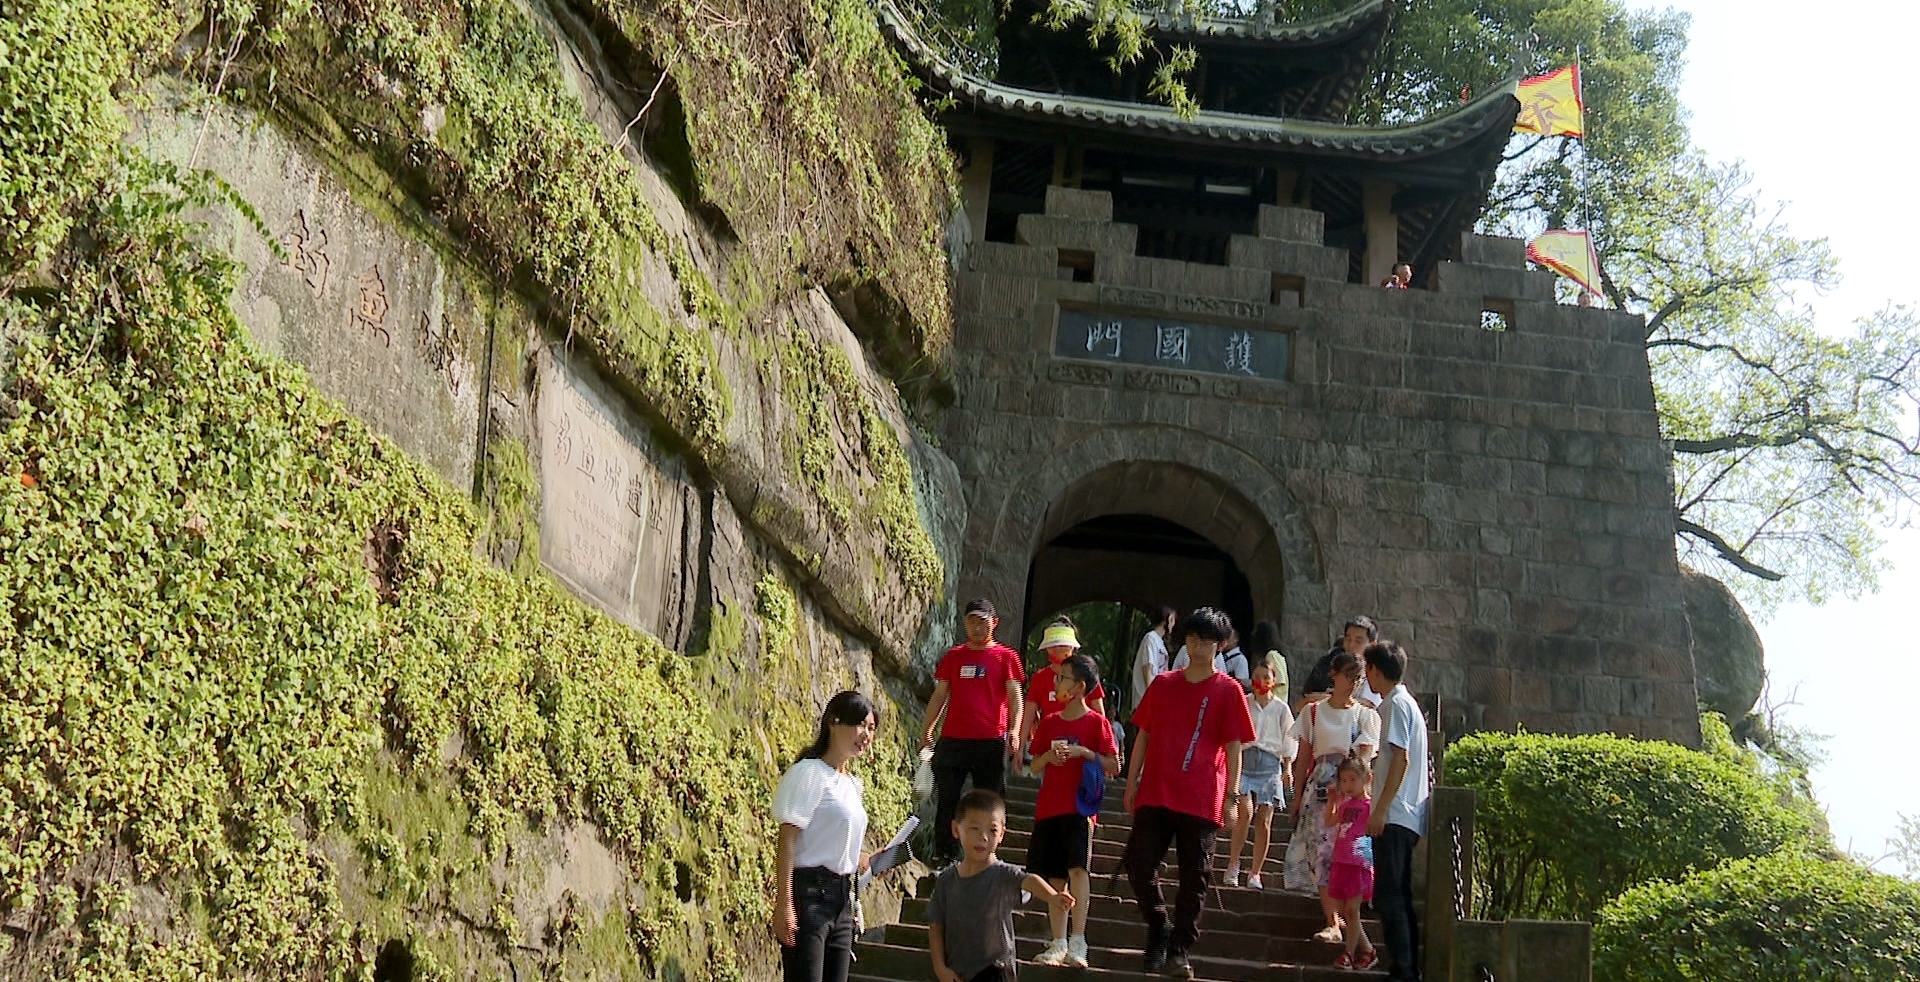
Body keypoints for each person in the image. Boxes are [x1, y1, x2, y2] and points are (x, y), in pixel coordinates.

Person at [1122, 607, 1257, 978]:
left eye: (1207, 640)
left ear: (1221, 644)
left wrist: (1231, 798)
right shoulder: (1164, 683)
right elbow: (1144, 734)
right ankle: (1158, 926)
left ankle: (1179, 949)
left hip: (1201, 795)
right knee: (1139, 865)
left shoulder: (1229, 690)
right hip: (1156, 789)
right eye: (1193, 638)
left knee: (1194, 877)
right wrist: (1132, 780)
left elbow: (1234, 747)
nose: (1198, 647)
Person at [774, 691, 881, 982]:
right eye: (860, 725)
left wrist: (867, 860)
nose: (866, 735)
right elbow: (787, 840)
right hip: (809, 895)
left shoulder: (852, 785)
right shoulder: (810, 773)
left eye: (871, 728)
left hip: (842, 899)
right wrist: (784, 903)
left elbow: (836, 847)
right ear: (834, 722)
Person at [1025, 653, 1120, 969]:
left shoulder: (1097, 723)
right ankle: (1058, 941)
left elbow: (1113, 765)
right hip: (1050, 807)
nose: (1057, 683)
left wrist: (1085, 753)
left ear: (1079, 687)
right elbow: (1034, 765)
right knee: (1054, 877)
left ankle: (1079, 941)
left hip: (1079, 809)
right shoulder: (1050, 723)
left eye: (1063, 678)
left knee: (1078, 870)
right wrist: (1049, 759)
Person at [927, 789, 1074, 982]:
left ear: (1002, 834)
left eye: (992, 830)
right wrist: (940, 967)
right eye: (974, 829)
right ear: (956, 829)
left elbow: (1029, 880)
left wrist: (1052, 897)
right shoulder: (946, 880)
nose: (984, 837)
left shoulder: (1003, 873)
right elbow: (936, 924)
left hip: (995, 969)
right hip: (958, 971)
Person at [1283, 651, 1379, 943]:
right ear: (1333, 675)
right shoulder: (1313, 712)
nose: (1351, 684)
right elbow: (1303, 758)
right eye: (1346, 676)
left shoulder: (1365, 716)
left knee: (1350, 853)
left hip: (1351, 788)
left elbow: (1364, 759)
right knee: (1321, 855)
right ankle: (1332, 921)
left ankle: (1351, 917)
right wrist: (1297, 796)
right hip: (1320, 787)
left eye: (1356, 678)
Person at [923, 599, 1026, 864]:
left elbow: (1015, 697)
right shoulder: (954, 656)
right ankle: (945, 853)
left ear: (994, 623)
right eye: (971, 621)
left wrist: (1014, 730)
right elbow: (940, 695)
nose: (977, 627)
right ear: (964, 623)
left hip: (990, 740)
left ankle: (988, 854)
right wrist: (928, 730)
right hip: (954, 739)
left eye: (982, 621)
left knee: (990, 800)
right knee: (948, 797)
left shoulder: (1006, 657)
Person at [1365, 641, 1430, 982]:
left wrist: (1381, 810)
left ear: (1376, 670)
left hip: (1396, 816)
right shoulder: (1406, 705)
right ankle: (1405, 969)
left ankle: (1403, 970)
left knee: (1390, 898)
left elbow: (1399, 759)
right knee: (1398, 897)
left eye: (1368, 669)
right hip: (1404, 815)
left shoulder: (1394, 705)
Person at [1223, 658, 1295, 889]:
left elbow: (1290, 739)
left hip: (1270, 763)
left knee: (1264, 819)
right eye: (1258, 677)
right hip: (1246, 758)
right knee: (1245, 812)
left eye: (1267, 677)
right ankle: (1233, 864)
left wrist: (1288, 768)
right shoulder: (1244, 702)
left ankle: (1255, 872)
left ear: (1274, 682)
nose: (1262, 682)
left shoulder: (1282, 710)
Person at [1017, 620, 1107, 761]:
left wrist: (1105, 750)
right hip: (1051, 748)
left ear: (1072, 647)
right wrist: (1020, 746)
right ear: (1047, 648)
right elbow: (1029, 713)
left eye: (1063, 646)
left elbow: (1100, 712)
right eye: (1054, 646)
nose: (1058, 650)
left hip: (1084, 746)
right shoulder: (1040, 678)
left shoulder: (1085, 673)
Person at [1326, 755, 1378, 971]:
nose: (1347, 785)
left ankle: (1348, 953)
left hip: (1359, 862)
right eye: (1344, 780)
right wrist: (1332, 801)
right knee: (1343, 909)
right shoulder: (1346, 805)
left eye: (1352, 780)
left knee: (1353, 909)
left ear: (1366, 778)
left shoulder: (1371, 806)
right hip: (1341, 860)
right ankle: (1367, 949)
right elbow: (1329, 821)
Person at [1301, 616, 1381, 710]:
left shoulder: (1375, 672)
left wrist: (1332, 699)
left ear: (1373, 645)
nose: (1351, 645)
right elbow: (1306, 700)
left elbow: (1369, 705)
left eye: (1358, 641)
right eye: (1348, 639)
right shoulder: (1329, 664)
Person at [1130, 605, 1177, 715]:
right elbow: (1148, 668)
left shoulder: (1159, 642)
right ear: (1169, 619)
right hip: (1146, 703)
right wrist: (1151, 699)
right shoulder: (1150, 638)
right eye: (1173, 620)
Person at [1172, 625, 1250, 690]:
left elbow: (1239, 681)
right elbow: (1175, 670)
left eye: (1229, 637)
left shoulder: (1238, 659)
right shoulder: (1184, 650)